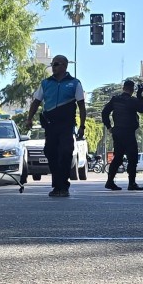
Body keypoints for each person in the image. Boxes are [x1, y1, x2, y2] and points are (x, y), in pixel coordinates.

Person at [23, 55, 86, 198]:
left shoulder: (74, 83)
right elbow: (36, 101)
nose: (53, 67)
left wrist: (82, 126)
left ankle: (63, 185)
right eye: (52, 64)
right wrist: (29, 118)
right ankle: (56, 184)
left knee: (65, 152)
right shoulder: (45, 83)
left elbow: (81, 106)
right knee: (50, 152)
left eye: (56, 64)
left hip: (66, 125)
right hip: (51, 125)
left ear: (64, 66)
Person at [102, 79, 143, 191]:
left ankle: (110, 181)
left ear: (123, 88)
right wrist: (140, 95)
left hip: (117, 132)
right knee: (132, 158)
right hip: (128, 132)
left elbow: (104, 112)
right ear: (132, 90)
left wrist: (109, 127)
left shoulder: (115, 100)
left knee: (117, 157)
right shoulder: (132, 101)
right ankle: (131, 183)